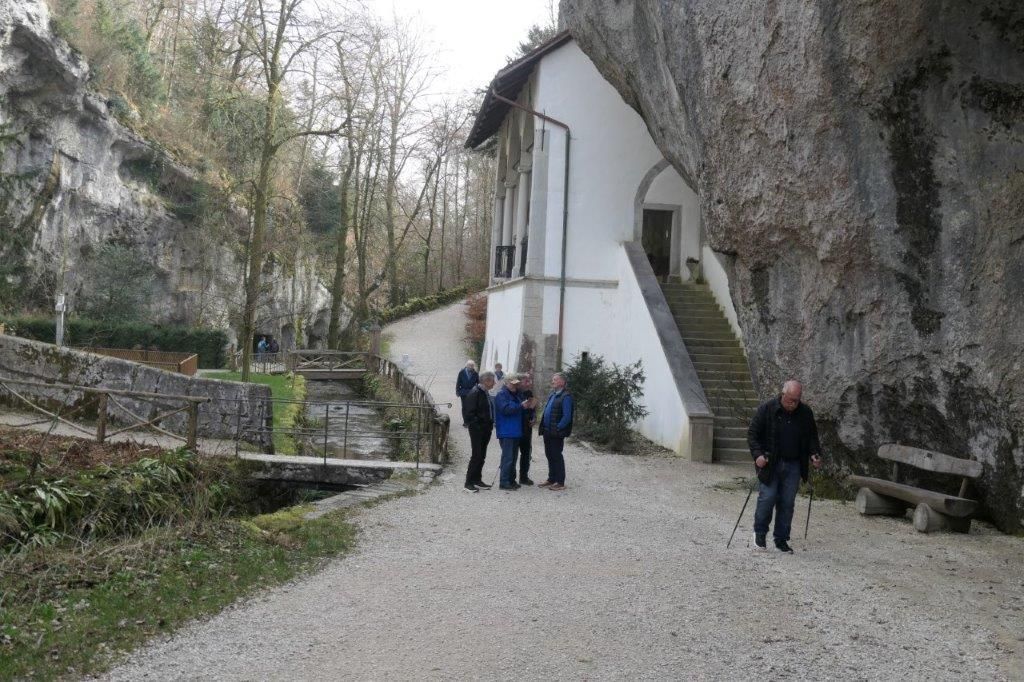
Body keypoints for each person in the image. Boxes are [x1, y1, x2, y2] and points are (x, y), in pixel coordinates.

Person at [747, 379, 823, 553]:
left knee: (787, 503)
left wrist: (815, 454)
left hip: (794, 463)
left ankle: (781, 539)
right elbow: (752, 433)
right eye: (790, 400)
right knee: (767, 498)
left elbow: (812, 437)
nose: (793, 404)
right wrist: (758, 455)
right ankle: (760, 534)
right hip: (770, 462)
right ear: (783, 394)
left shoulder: (805, 413)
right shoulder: (767, 409)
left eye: (797, 400)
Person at [494, 375, 536, 490]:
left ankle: (511, 480)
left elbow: (522, 410)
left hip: (516, 430)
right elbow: (505, 409)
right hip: (506, 430)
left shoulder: (517, 394)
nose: (515, 386)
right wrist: (521, 406)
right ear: (506, 383)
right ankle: (504, 482)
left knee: (513, 457)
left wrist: (530, 411)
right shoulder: (501, 395)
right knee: (507, 458)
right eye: (512, 384)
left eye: (516, 383)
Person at [538, 372, 574, 491]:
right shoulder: (553, 394)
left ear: (562, 382)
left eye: (555, 379)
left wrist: (558, 427)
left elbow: (567, 417)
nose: (552, 381)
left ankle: (560, 482)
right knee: (549, 455)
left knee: (556, 455)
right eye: (553, 379)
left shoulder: (566, 397)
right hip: (547, 431)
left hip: (556, 432)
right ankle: (551, 479)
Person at [463, 371, 497, 492]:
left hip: (486, 428)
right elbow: (469, 413)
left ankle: (477, 479)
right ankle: (468, 483)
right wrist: (478, 425)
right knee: (476, 455)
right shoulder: (475, 392)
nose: (494, 383)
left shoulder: (485, 392)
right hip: (478, 429)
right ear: (486, 381)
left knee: (482, 455)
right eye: (492, 380)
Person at [514, 374, 537, 485]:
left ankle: (524, 477)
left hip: (527, 428)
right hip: (516, 427)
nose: (529, 383)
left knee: (527, 453)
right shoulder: (514, 393)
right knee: (513, 454)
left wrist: (534, 417)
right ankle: (510, 479)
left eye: (529, 381)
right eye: (526, 381)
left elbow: (533, 409)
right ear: (519, 382)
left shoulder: (529, 393)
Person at [455, 361, 479, 426]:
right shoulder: (462, 372)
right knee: (465, 407)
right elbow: (458, 382)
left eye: (472, 365)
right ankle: (465, 421)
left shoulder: (475, 373)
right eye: (469, 365)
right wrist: (457, 391)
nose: (471, 367)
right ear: (467, 365)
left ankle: (470, 420)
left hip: (472, 392)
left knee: (471, 407)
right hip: (463, 392)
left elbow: (478, 383)